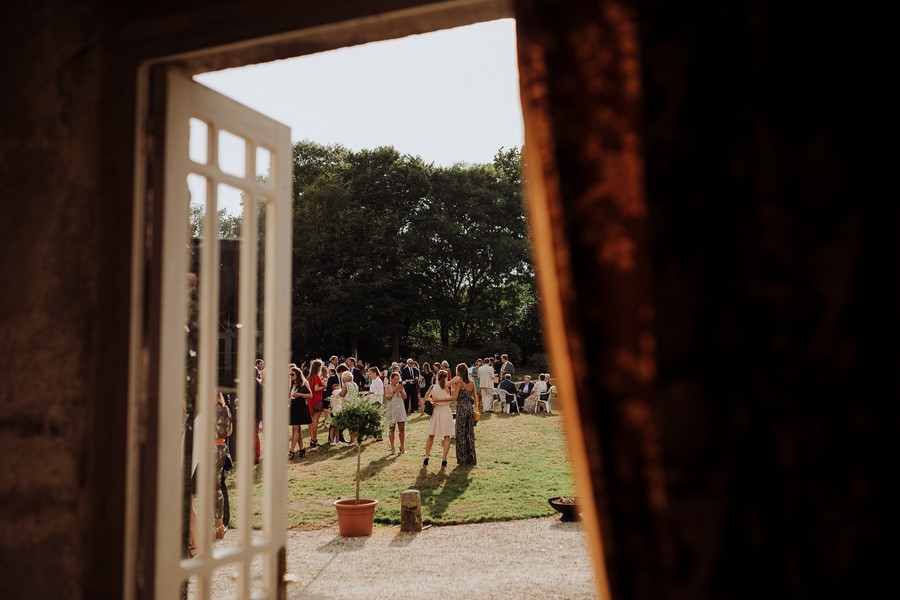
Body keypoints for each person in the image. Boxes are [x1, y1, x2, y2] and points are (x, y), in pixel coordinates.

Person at [422, 369, 454, 468]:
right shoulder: (447, 387)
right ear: (446, 378)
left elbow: (426, 397)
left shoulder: (433, 387)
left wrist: (432, 400)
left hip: (437, 411)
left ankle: (427, 456)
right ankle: (444, 458)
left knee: (431, 435)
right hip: (446, 411)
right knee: (446, 436)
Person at [449, 363, 478, 465]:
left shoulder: (460, 383)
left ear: (459, 372)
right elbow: (475, 398)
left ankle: (462, 458)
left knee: (460, 434)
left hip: (461, 409)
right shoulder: (472, 382)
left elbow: (454, 397)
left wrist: (441, 399)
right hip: (470, 408)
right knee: (469, 434)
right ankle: (471, 458)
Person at [288, 366, 311, 459]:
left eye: (292, 374)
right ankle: (302, 449)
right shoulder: (292, 384)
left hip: (300, 406)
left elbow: (310, 395)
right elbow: (290, 396)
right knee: (297, 429)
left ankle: (292, 450)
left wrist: (300, 395)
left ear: (297, 374)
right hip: (293, 407)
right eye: (290, 374)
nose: (291, 376)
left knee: (295, 429)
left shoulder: (304, 382)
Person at [383, 371, 408, 454]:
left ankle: (402, 447)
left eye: (398, 379)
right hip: (391, 408)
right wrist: (394, 391)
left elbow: (405, 397)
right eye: (395, 379)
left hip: (400, 407)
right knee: (391, 428)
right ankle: (392, 447)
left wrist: (400, 391)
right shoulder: (387, 387)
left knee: (402, 428)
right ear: (391, 379)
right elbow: (387, 397)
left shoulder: (400, 386)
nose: (396, 381)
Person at [306, 359, 325, 448]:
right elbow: (316, 388)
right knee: (315, 421)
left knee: (310, 421)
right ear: (318, 367)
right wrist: (324, 386)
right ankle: (314, 439)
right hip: (317, 400)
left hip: (310, 400)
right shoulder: (316, 377)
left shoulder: (309, 377)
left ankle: (312, 439)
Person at [337, 370, 360, 444]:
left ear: (346, 378)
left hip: (348, 404)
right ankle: (355, 438)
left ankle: (352, 439)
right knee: (355, 422)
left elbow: (342, 394)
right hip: (355, 404)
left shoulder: (346, 385)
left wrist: (337, 393)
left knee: (349, 423)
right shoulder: (355, 384)